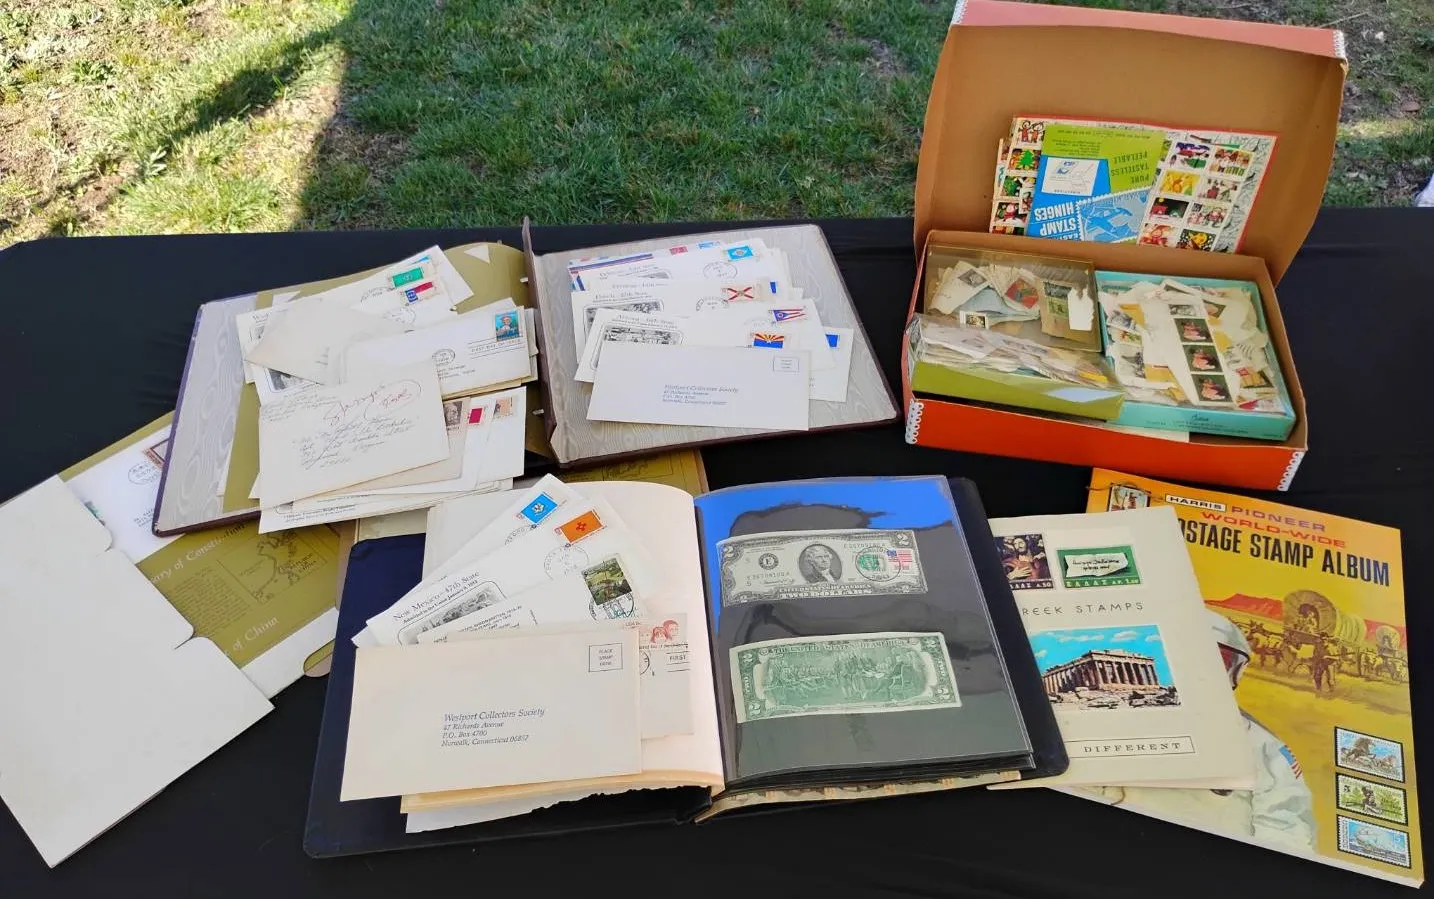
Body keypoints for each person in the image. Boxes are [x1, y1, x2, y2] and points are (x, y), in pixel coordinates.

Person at [1079, 611, 1316, 851]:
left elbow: (1287, 830)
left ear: (1234, 672)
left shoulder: (1263, 746)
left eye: (1216, 663)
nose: (1202, 673)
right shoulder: (1121, 717)